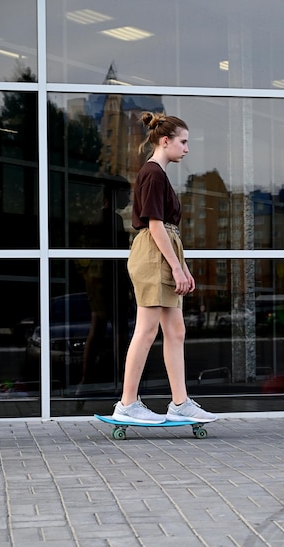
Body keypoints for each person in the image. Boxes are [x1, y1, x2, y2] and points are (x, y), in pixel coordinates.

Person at [112, 112, 218, 424]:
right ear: (166, 140)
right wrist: (178, 268)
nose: (187, 148)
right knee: (146, 329)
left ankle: (180, 402)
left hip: (163, 251)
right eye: (183, 142)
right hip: (154, 252)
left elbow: (163, 229)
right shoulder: (153, 173)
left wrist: (181, 266)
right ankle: (128, 404)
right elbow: (156, 226)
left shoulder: (158, 173)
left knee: (176, 329)